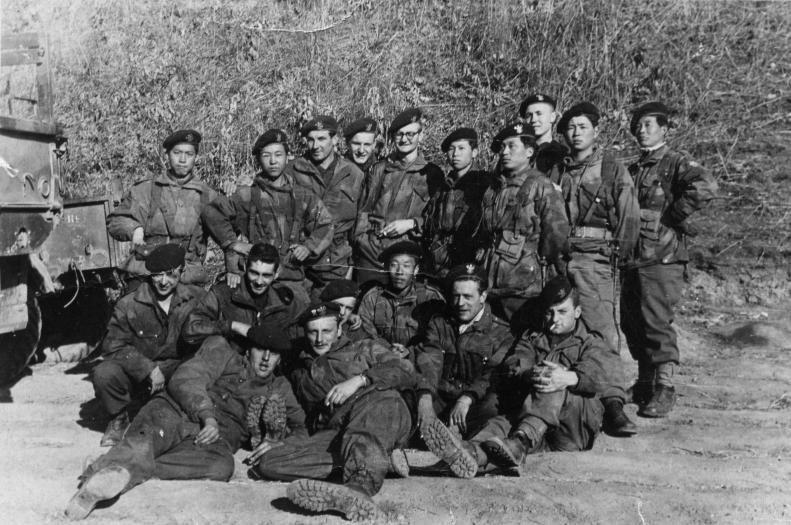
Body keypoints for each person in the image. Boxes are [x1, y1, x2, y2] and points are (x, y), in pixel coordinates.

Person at [65, 321, 306, 521]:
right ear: (249, 349)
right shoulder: (223, 352)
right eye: (261, 349)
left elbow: (302, 428)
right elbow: (186, 378)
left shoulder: (280, 388)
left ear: (279, 359)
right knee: (147, 440)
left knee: (222, 467)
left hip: (212, 442)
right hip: (176, 411)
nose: (266, 359)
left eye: (274, 354)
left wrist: (280, 443)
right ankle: (95, 485)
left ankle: (114, 466)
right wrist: (207, 416)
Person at [421, 277, 617, 478]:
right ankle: (469, 453)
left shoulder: (591, 342)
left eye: (562, 312)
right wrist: (530, 373)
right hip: (534, 427)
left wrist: (569, 377)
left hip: (571, 428)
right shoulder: (532, 337)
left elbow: (599, 376)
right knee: (500, 426)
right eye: (549, 312)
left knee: (552, 380)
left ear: (577, 312)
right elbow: (516, 362)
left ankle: (520, 441)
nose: (554, 319)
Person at [254, 302, 415, 521]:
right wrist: (278, 439)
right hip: (337, 431)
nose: (320, 339)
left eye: (327, 331)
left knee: (381, 400)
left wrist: (360, 380)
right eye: (313, 332)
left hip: (379, 411)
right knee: (270, 462)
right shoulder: (298, 365)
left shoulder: (364, 348)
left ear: (339, 329)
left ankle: (358, 488)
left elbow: (404, 368)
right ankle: (375, 460)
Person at [550, 102, 641, 436]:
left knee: (602, 331)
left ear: (596, 131)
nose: (576, 133)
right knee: (560, 325)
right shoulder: (558, 171)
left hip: (596, 259)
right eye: (571, 128)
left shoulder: (611, 169)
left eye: (583, 127)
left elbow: (629, 218)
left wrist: (617, 257)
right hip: (561, 257)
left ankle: (613, 403)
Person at [622, 101, 717, 418]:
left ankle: (665, 387)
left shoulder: (674, 162)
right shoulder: (634, 169)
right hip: (634, 257)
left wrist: (674, 215)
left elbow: (706, 185)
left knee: (657, 322)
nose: (641, 130)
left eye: (648, 124)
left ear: (664, 129)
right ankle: (644, 383)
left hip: (662, 258)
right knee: (633, 322)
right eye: (637, 125)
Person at [91, 244, 206, 447]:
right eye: (157, 275)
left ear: (182, 271)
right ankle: (119, 418)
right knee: (104, 373)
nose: (163, 281)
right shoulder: (129, 304)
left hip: (179, 372)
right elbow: (113, 346)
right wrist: (148, 369)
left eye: (171, 274)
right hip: (143, 377)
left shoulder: (196, 299)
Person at [202, 129, 334, 304]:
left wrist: (308, 247)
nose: (273, 161)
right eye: (266, 155)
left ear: (287, 157)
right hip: (253, 277)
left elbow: (325, 223)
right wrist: (233, 243)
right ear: (258, 159)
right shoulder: (247, 194)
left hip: (290, 277)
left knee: (300, 307)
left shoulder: (302, 196)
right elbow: (212, 212)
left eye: (278, 155)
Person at [481, 122, 569, 328]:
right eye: (503, 147)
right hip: (492, 281)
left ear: (529, 152)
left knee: (523, 336)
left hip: (524, 286)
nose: (504, 152)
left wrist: (540, 268)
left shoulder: (541, 186)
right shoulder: (494, 188)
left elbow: (557, 236)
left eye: (512, 146)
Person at [414, 264, 515, 438]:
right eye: (456, 296)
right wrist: (425, 397)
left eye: (468, 297)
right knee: (408, 398)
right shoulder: (439, 323)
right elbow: (430, 361)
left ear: (483, 296)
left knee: (492, 408)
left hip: (473, 406)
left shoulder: (502, 333)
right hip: (440, 398)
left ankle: (470, 446)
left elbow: (492, 376)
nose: (460, 303)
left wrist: (467, 398)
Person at [107, 130, 216, 285]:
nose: (182, 159)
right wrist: (135, 229)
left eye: (189, 154)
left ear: (196, 157)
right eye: (177, 153)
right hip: (146, 271)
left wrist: (235, 195)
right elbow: (116, 221)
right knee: (132, 300)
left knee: (198, 300)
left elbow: (229, 228)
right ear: (167, 155)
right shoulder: (146, 190)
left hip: (187, 275)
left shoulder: (208, 196)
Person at [353, 107, 445, 285]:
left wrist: (412, 223)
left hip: (407, 257)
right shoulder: (379, 169)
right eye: (399, 134)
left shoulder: (432, 174)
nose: (404, 139)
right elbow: (363, 210)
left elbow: (436, 220)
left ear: (420, 135)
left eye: (410, 134)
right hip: (372, 254)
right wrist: (362, 241)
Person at [285, 116, 366, 294]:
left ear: (335, 139)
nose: (315, 146)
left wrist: (351, 265)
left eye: (321, 139)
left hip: (336, 264)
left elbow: (359, 225)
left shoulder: (353, 174)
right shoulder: (292, 170)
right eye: (311, 139)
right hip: (300, 262)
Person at [182, 243, 307, 353]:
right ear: (245, 266)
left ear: (276, 274)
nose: (259, 281)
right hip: (229, 365)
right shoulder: (224, 293)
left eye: (266, 275)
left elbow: (300, 330)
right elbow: (191, 329)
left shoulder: (283, 300)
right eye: (254, 273)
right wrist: (233, 326)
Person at [423, 127, 492, 276]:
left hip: (468, 262)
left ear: (474, 152)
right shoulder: (444, 186)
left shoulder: (484, 184)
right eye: (451, 149)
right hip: (439, 262)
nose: (455, 154)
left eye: (461, 148)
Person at [357, 241, 445, 357]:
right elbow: (365, 337)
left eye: (406, 266)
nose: (399, 272)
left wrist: (410, 352)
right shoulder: (373, 297)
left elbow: (439, 343)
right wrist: (388, 352)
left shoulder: (430, 297)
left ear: (416, 270)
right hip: (382, 359)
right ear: (387, 268)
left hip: (419, 361)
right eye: (394, 265)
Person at [518, 93, 568, 174]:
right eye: (529, 115)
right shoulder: (517, 152)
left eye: (539, 114)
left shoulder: (563, 155)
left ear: (552, 117)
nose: (533, 119)